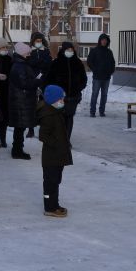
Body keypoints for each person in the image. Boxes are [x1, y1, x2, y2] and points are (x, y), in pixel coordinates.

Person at [37, 85, 73, 218]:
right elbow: (43, 135)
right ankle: (49, 207)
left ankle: (55, 204)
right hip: (51, 156)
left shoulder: (55, 112)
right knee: (50, 183)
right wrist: (57, 144)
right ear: (53, 100)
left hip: (57, 155)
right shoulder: (48, 115)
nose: (62, 101)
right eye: (61, 99)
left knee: (56, 181)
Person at [46, 42, 87, 140]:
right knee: (59, 118)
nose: (70, 52)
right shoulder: (56, 63)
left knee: (69, 118)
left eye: (71, 50)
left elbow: (84, 79)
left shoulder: (78, 63)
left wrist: (78, 88)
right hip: (59, 97)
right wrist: (55, 92)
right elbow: (49, 79)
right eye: (68, 50)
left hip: (73, 97)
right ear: (63, 50)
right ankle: (58, 138)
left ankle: (66, 140)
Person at [8, 43, 39, 160]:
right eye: (28, 53)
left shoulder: (21, 64)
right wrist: (37, 81)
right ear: (22, 53)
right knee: (19, 128)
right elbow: (24, 83)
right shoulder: (19, 66)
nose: (29, 55)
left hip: (21, 100)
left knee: (20, 127)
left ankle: (17, 149)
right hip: (20, 101)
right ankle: (17, 150)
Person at [27, 32, 53, 137]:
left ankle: (44, 128)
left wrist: (40, 66)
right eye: (36, 41)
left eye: (40, 41)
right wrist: (39, 63)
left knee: (43, 106)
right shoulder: (29, 51)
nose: (38, 43)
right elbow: (29, 64)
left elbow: (48, 64)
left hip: (44, 81)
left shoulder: (46, 51)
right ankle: (31, 129)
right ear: (33, 41)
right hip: (32, 81)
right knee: (31, 106)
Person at [86, 33, 116, 118]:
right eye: (102, 40)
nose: (104, 41)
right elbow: (89, 61)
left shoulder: (109, 52)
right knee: (95, 94)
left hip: (106, 78)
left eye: (105, 40)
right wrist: (95, 70)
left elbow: (113, 63)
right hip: (97, 77)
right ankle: (92, 112)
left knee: (104, 95)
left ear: (107, 41)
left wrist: (111, 71)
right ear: (100, 41)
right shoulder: (94, 51)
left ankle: (102, 111)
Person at [0, 38, 13, 148]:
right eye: (2, 48)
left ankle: (3, 139)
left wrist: (8, 78)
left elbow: (12, 73)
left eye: (6, 47)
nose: (5, 50)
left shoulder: (9, 59)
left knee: (5, 117)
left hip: (6, 91)